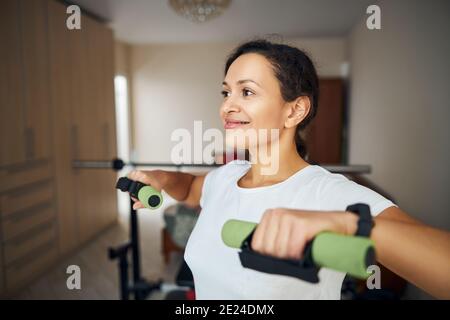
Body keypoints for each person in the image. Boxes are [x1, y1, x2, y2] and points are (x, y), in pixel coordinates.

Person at [128, 39, 450, 300]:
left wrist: (345, 224)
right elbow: (189, 189)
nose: (227, 105)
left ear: (295, 109)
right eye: (226, 92)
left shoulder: (330, 194)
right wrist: (161, 177)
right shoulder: (227, 176)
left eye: (247, 91)